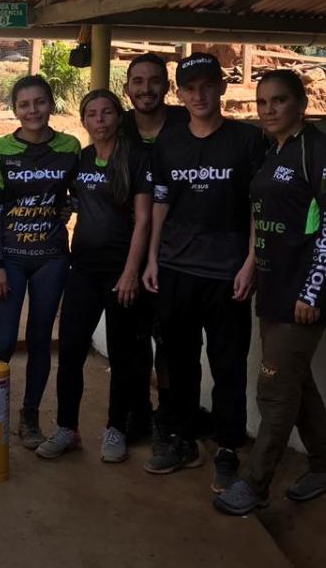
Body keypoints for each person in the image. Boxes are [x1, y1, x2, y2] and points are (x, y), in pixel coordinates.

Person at [215, 70, 326, 515]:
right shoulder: (269, 150)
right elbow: (261, 212)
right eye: (262, 102)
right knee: (295, 380)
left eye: (279, 101)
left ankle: (255, 484)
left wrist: (313, 291)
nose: (269, 109)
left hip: (303, 290)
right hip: (273, 286)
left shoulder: (322, 152)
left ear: (301, 102)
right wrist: (250, 266)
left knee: (274, 388)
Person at [142, 52, 265, 493]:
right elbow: (160, 204)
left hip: (227, 273)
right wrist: (153, 259)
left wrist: (251, 263)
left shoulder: (247, 141)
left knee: (227, 364)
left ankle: (228, 448)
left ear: (223, 88)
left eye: (208, 86)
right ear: (180, 93)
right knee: (178, 362)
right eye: (190, 88)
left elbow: (259, 207)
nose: (199, 95)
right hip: (175, 269)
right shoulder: (169, 143)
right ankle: (181, 439)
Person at [39, 89, 152, 463]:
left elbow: (144, 220)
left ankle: (115, 427)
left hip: (120, 272)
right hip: (83, 269)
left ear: (119, 118)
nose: (99, 119)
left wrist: (132, 272)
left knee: (122, 355)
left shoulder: (135, 159)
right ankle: (67, 428)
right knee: (70, 349)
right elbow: (66, 200)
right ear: (83, 120)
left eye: (106, 113)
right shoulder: (82, 159)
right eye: (92, 114)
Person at [0, 75, 81, 449]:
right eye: (24, 104)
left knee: (40, 338)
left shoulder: (70, 147)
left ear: (51, 105)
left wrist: (68, 207)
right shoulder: (2, 149)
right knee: (4, 342)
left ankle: (29, 416)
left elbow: (76, 194)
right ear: (14, 110)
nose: (32, 111)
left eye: (39, 102)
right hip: (10, 260)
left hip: (52, 258)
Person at [121, 53, 190, 439]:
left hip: (176, 250)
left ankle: (170, 412)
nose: (145, 89)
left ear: (166, 86)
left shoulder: (185, 124)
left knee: (171, 339)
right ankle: (138, 411)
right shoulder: (120, 128)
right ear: (127, 87)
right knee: (133, 338)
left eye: (153, 81)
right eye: (137, 81)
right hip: (129, 249)